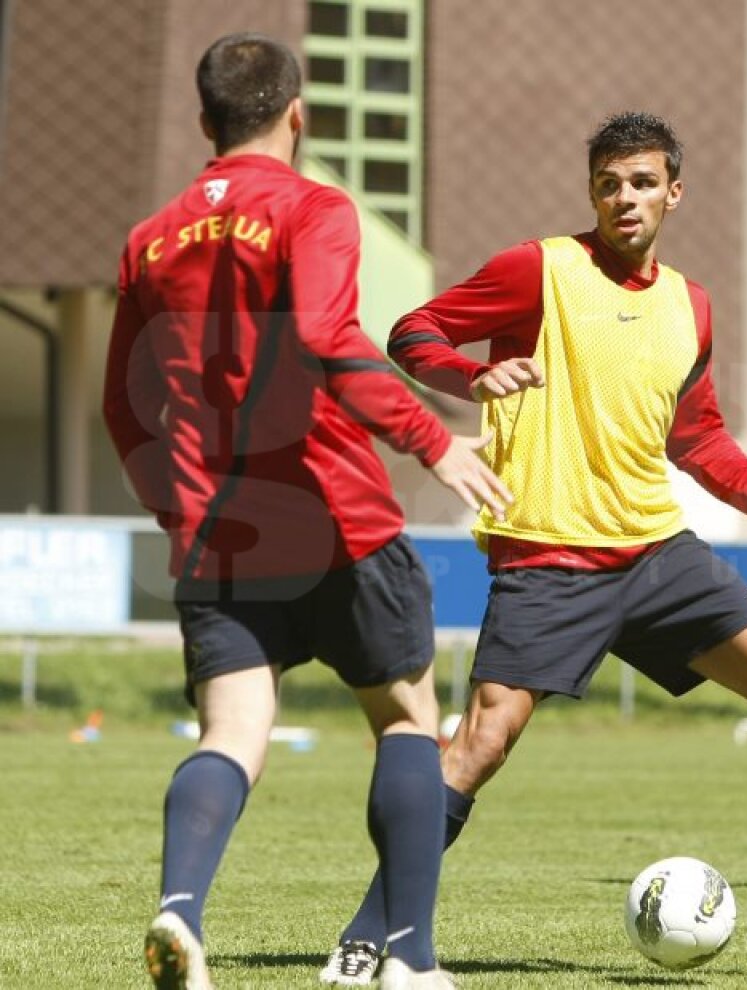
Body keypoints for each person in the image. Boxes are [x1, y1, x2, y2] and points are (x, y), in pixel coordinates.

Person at [317, 112, 747, 986]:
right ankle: (369, 930)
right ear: (592, 194)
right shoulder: (538, 269)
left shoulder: (691, 306)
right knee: (480, 745)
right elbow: (413, 333)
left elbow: (699, 439)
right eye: (608, 184)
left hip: (655, 554)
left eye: (642, 183)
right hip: (549, 555)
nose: (624, 198)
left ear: (673, 192)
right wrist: (472, 375)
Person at [102, 33, 510, 990]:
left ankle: (179, 911)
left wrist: (174, 505)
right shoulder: (314, 208)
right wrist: (434, 440)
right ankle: (409, 959)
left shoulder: (148, 239)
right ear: (298, 114)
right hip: (337, 516)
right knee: (407, 721)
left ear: (204, 122)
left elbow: (124, 404)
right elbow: (328, 336)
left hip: (218, 532)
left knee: (232, 733)